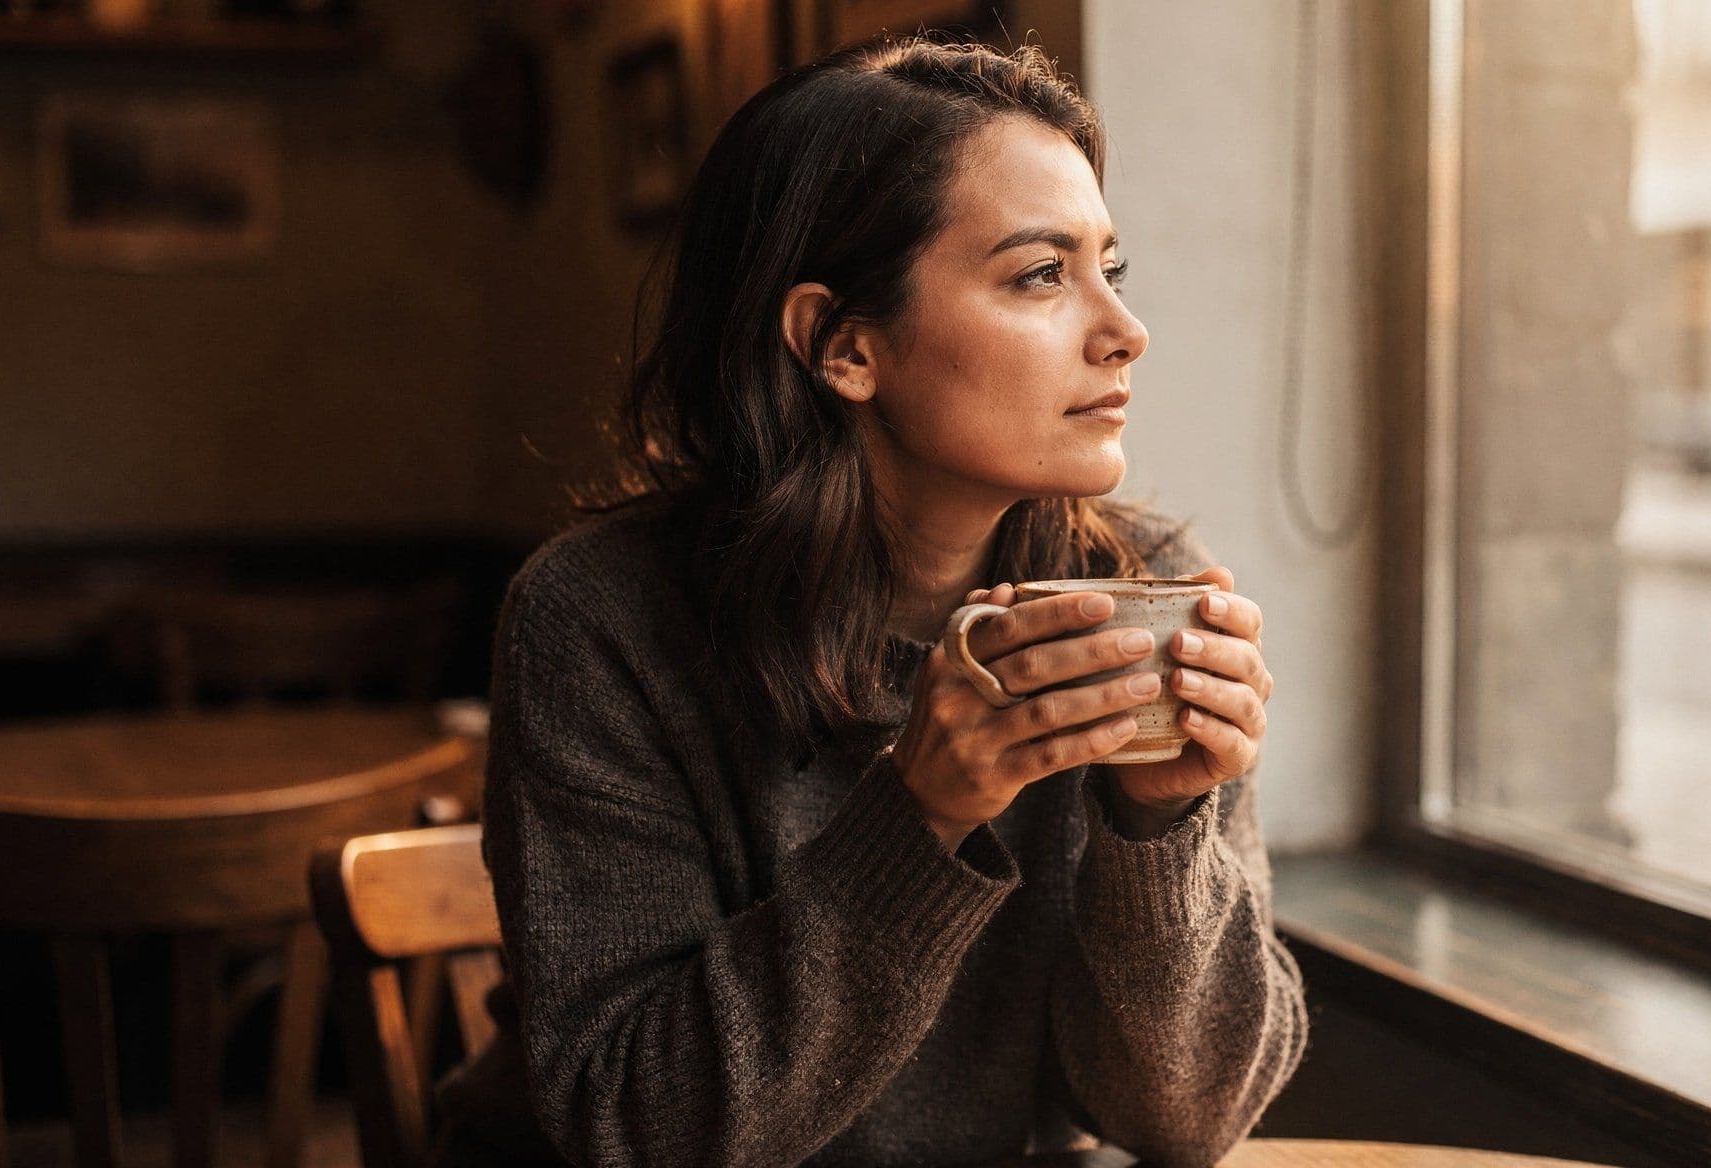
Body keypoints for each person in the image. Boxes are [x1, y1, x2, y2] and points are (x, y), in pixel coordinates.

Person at [434, 34, 1308, 1168]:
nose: (1122, 330)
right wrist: (921, 816)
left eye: (1112, 268)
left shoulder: (1138, 594)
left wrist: (1156, 826)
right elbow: (634, 1133)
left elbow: (1184, 1123)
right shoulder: (602, 623)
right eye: (1042, 275)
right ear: (841, 344)